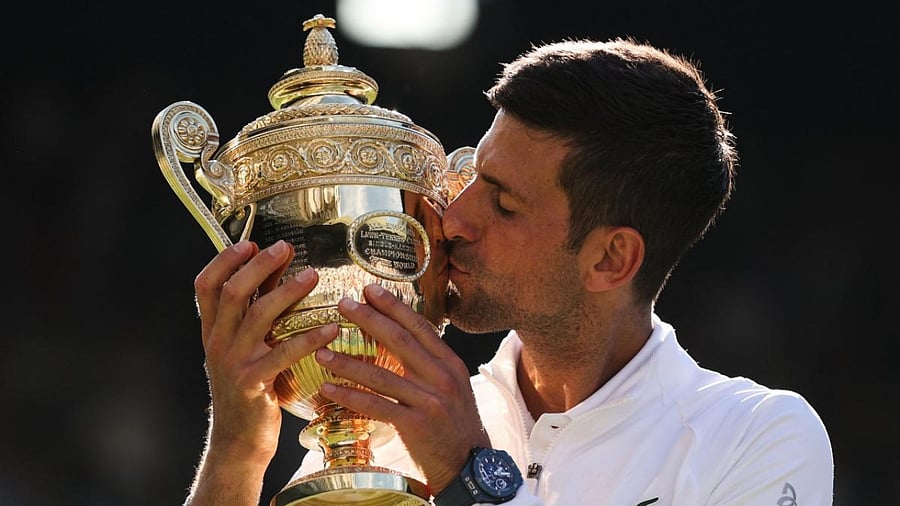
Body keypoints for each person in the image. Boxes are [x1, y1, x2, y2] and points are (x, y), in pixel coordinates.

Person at [186, 37, 834, 505]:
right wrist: (238, 452)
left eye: (503, 202)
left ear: (611, 259)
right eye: (472, 178)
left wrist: (467, 477)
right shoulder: (383, 431)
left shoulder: (756, 438)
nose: (454, 217)